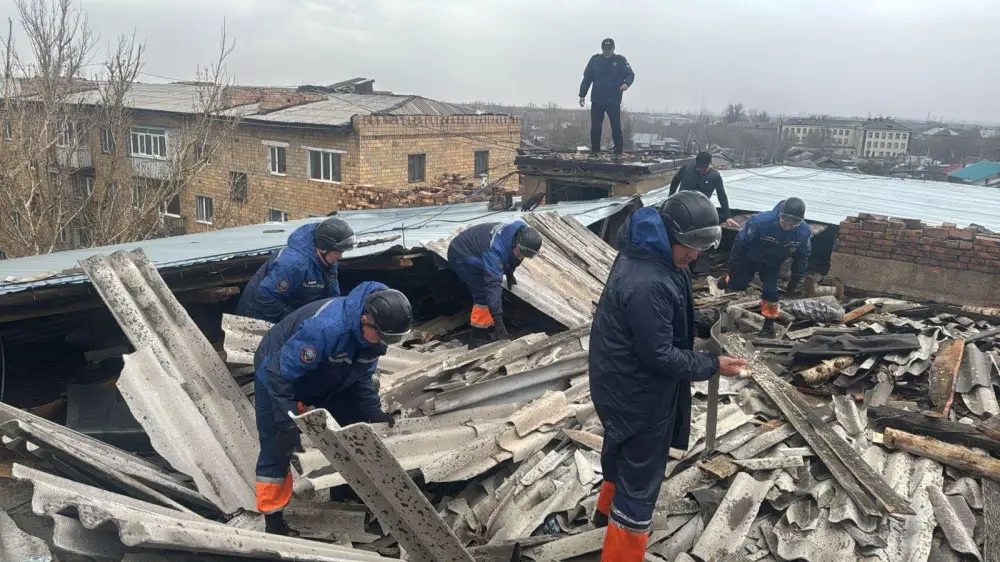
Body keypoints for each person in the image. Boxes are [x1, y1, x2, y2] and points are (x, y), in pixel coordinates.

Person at [589, 191, 747, 561]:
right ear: (671, 236)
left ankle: (603, 515)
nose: (696, 255)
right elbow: (660, 355)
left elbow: (661, 319)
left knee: (623, 454)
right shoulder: (649, 281)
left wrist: (697, 323)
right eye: (691, 246)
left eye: (702, 246)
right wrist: (713, 364)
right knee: (640, 481)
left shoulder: (652, 255)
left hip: (618, 379)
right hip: (637, 390)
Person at [253, 282, 411, 535]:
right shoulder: (326, 329)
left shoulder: (373, 336)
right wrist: (286, 422)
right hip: (277, 371)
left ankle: (343, 491)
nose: (385, 343)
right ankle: (273, 520)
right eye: (383, 337)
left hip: (329, 374)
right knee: (277, 445)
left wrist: (373, 411)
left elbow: (362, 377)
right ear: (365, 319)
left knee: (354, 428)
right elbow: (279, 375)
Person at [719, 197, 812, 337]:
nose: (787, 227)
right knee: (738, 284)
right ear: (780, 215)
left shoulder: (803, 233)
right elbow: (740, 243)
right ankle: (726, 279)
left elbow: (802, 256)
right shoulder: (760, 222)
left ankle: (768, 327)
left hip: (772, 264)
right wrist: (733, 268)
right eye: (785, 222)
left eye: (793, 224)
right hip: (750, 259)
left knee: (771, 293)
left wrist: (795, 281)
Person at [236, 217, 357, 324]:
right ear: (322, 249)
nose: (340, 257)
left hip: (292, 310)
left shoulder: (329, 260)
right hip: (258, 317)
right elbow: (266, 299)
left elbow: (330, 293)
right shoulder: (293, 263)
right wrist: (298, 320)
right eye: (337, 253)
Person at [447, 220, 542, 349]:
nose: (521, 257)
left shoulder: (522, 233)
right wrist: (498, 321)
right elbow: (492, 285)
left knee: (493, 289)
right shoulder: (495, 251)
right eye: (520, 253)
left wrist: (509, 273)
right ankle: (477, 338)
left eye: (525, 255)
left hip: (478, 249)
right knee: (483, 294)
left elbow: (511, 258)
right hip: (461, 255)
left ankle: (489, 322)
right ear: (516, 243)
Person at [669, 151, 739, 276]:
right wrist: (671, 197)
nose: (701, 170)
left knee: (697, 240)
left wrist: (728, 216)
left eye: (703, 168)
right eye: (699, 168)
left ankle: (693, 269)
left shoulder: (715, 176)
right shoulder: (687, 168)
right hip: (681, 208)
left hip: (700, 211)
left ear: (710, 164)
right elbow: (675, 181)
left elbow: (722, 195)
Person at [579, 38, 634, 156]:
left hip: (613, 99)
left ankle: (618, 151)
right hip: (597, 99)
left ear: (613, 48)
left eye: (609, 49)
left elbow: (630, 74)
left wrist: (626, 84)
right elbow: (587, 78)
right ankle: (595, 151)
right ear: (602, 49)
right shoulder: (595, 60)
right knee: (595, 127)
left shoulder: (620, 60)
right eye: (605, 49)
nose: (607, 51)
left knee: (616, 126)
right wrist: (582, 94)